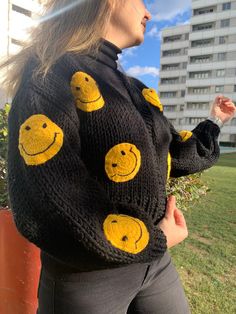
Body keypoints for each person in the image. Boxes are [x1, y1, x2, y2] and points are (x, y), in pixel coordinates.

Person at [2, 0, 235, 313]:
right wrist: (155, 239)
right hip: (87, 277)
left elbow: (174, 154)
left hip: (155, 266)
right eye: (141, 2)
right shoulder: (50, 72)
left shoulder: (137, 91)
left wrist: (215, 120)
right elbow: (45, 200)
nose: (149, 13)